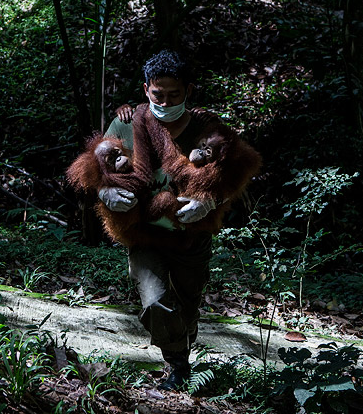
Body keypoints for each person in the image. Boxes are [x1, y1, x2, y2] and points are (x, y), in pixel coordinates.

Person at [99, 49, 257, 390]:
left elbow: (238, 173)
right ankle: (178, 365)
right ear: (146, 90)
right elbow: (97, 165)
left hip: (190, 237)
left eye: (175, 94)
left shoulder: (207, 127)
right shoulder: (127, 123)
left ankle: (182, 344)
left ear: (188, 90)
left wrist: (211, 200)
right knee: (156, 300)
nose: (166, 101)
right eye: (159, 94)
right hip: (144, 235)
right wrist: (104, 192)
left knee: (187, 304)